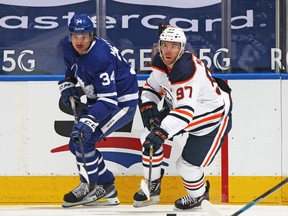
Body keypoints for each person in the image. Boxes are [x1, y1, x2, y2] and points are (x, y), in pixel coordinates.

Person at [133, 27, 232, 210]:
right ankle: (152, 183)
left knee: (186, 166)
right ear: (159, 46)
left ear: (182, 48)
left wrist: (162, 131)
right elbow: (151, 88)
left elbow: (185, 113)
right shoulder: (160, 63)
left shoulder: (186, 70)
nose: (168, 50)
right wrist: (149, 106)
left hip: (211, 118)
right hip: (183, 111)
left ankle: (198, 196)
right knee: (146, 135)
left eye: (174, 46)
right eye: (165, 45)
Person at [58, 13, 139, 208]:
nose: (80, 41)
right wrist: (68, 84)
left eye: (84, 36)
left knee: (83, 140)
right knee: (76, 144)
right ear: (70, 36)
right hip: (100, 98)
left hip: (121, 103)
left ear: (91, 35)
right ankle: (107, 186)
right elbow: (72, 69)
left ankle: (89, 186)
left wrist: (90, 120)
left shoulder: (99, 57)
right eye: (76, 36)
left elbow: (109, 100)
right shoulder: (67, 47)